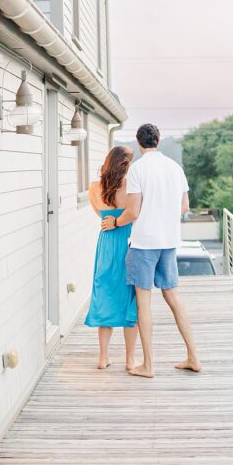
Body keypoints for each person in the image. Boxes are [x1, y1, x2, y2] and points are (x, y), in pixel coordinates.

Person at [101, 123, 201, 379]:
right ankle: (193, 357)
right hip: (169, 242)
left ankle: (148, 365)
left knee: (143, 303)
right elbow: (184, 206)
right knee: (174, 299)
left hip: (144, 243)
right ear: (158, 140)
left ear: (138, 142)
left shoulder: (138, 169)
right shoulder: (175, 168)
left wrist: (114, 222)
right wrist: (163, 212)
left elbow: (133, 211)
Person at [85, 146, 139, 371]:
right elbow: (135, 212)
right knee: (130, 300)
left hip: (107, 242)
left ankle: (103, 357)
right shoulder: (131, 186)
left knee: (105, 293)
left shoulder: (95, 187)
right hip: (128, 240)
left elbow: (101, 214)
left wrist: (111, 216)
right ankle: (129, 360)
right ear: (125, 164)